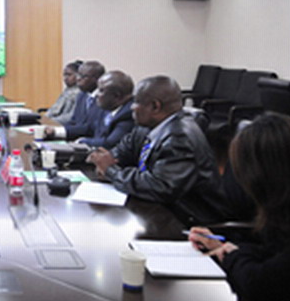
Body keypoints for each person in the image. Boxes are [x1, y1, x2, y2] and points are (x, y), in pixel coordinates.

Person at [189, 114, 290, 301]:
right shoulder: (286, 208)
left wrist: (232, 256)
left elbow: (258, 284)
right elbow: (277, 253)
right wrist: (226, 247)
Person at [89, 75, 230, 225]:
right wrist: (104, 162)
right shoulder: (145, 127)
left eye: (136, 102)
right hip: (161, 207)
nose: (131, 107)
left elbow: (160, 187)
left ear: (155, 107)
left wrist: (111, 171)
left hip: (192, 219)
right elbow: (121, 152)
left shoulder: (180, 137)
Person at [45, 60, 107, 139]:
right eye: (78, 75)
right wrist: (55, 129)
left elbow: (90, 128)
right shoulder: (82, 95)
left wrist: (57, 131)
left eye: (83, 76)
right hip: (75, 138)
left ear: (97, 79)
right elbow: (74, 121)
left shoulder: (104, 99)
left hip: (92, 141)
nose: (78, 79)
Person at [75, 70, 135, 148]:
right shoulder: (107, 106)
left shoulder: (128, 114)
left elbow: (110, 143)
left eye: (101, 91)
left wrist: (82, 142)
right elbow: (90, 129)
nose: (96, 94)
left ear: (117, 96)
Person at [45, 60, 82, 124]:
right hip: (53, 122)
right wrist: (43, 119)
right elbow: (54, 109)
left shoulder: (80, 93)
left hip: (64, 125)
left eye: (69, 75)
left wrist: (50, 121)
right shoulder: (67, 90)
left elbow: (71, 116)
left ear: (78, 76)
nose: (65, 78)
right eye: (65, 75)